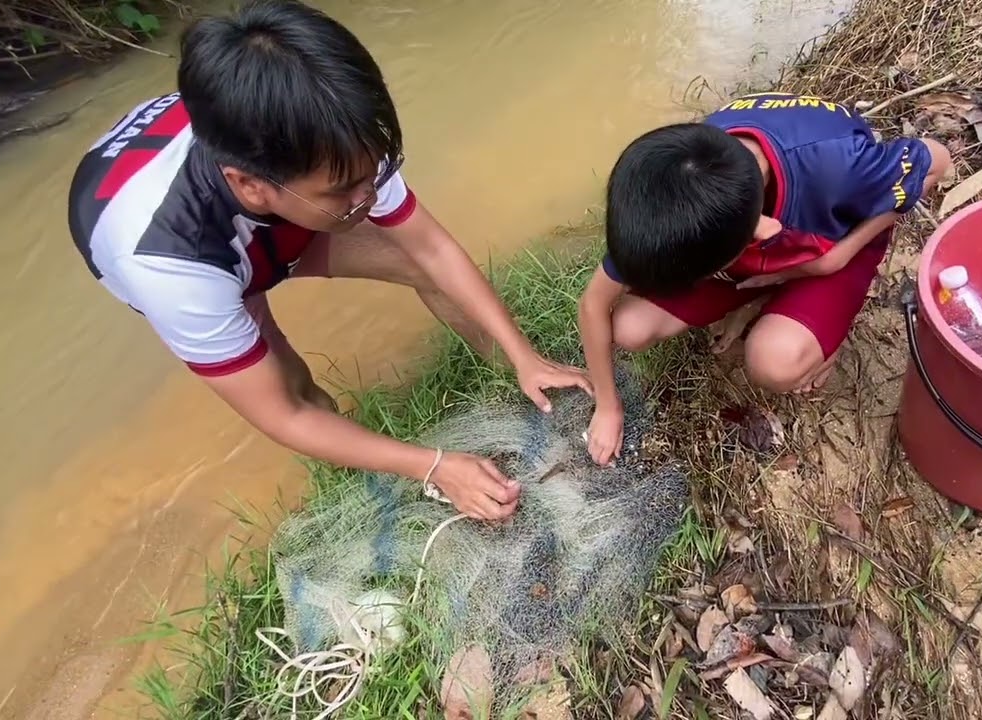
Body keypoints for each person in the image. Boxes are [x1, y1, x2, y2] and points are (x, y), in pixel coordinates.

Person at [66, 0, 590, 520]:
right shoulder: (175, 271)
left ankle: (517, 380)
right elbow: (284, 415)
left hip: (271, 196)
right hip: (205, 248)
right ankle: (364, 487)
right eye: (346, 190)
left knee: (414, 263)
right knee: (294, 384)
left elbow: (430, 248)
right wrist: (433, 465)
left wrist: (523, 354)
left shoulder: (331, 138)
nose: (369, 196)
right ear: (251, 184)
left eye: (374, 173)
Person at [577, 91, 951, 465]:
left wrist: (834, 259)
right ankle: (757, 298)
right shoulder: (678, 200)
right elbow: (594, 303)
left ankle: (818, 325)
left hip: (828, 243)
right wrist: (608, 406)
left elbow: (938, 160)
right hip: (749, 250)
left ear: (760, 233)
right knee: (626, 327)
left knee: (773, 361)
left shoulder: (842, 166)